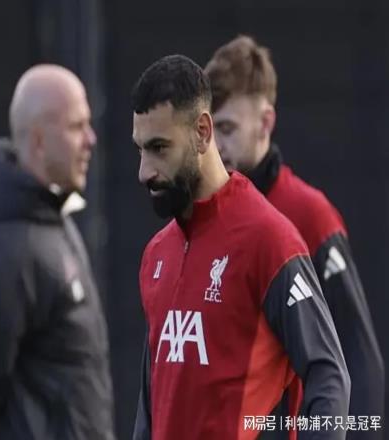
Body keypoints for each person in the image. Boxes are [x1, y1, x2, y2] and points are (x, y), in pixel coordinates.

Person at [131, 54, 350, 440]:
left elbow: (329, 375)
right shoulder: (156, 255)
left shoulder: (269, 239)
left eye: (159, 148)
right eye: (140, 149)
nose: (144, 171)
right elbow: (151, 406)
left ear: (202, 132)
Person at [204, 35, 384, 436]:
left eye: (228, 128)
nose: (216, 146)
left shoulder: (308, 214)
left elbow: (357, 358)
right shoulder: (204, 218)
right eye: (210, 130)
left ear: (265, 123)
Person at [0, 65, 116, 440]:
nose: (91, 139)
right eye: (76, 127)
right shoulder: (9, 251)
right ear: (39, 141)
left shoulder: (53, 222)